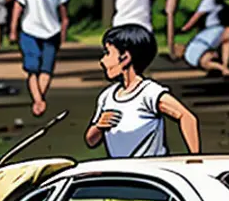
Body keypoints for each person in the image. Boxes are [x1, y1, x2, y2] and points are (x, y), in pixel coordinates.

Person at [86, 24, 200, 157]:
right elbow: (91, 141)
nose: (102, 60)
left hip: (150, 172)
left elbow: (186, 117)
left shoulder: (149, 93)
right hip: (120, 172)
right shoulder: (107, 97)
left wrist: (195, 158)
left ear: (125, 58)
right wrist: (99, 126)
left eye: (108, 53)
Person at [10, 0, 70, 117]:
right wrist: (13, 29)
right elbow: (18, 7)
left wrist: (64, 32)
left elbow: (63, 13)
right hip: (29, 31)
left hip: (52, 32)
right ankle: (38, 100)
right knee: (32, 67)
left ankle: (39, 99)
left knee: (46, 69)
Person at [176, 0, 229, 77]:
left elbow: (196, 18)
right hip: (211, 35)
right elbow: (196, 17)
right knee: (227, 39)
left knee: (226, 40)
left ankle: (223, 67)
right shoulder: (210, 1)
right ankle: (224, 67)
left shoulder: (210, 1)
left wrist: (185, 28)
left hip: (209, 37)